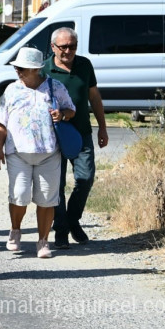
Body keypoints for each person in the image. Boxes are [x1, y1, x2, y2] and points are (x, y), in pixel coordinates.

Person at [0, 47, 76, 259]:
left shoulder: (54, 86)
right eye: (17, 67)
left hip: (49, 152)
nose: (18, 71)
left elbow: (71, 109)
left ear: (36, 69)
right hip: (18, 152)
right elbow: (1, 121)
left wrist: (62, 114)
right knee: (19, 195)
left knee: (47, 199)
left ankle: (43, 241)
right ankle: (15, 230)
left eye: (23, 68)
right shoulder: (11, 90)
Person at [43, 27, 109, 249]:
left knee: (85, 178)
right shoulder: (44, 69)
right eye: (63, 47)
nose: (68, 51)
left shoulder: (84, 65)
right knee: (57, 185)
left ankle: (73, 220)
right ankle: (61, 230)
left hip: (81, 132)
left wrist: (102, 127)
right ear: (53, 47)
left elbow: (94, 96)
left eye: (72, 46)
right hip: (53, 137)